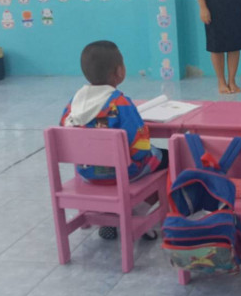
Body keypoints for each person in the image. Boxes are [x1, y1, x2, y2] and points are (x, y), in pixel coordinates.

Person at [60, 40, 168, 240]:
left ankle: (108, 219)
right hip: (123, 173)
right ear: (119, 71)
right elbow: (140, 146)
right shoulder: (121, 103)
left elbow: (66, 135)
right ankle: (139, 211)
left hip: (87, 172)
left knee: (113, 159)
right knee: (168, 159)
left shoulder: (73, 104)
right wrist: (147, 154)